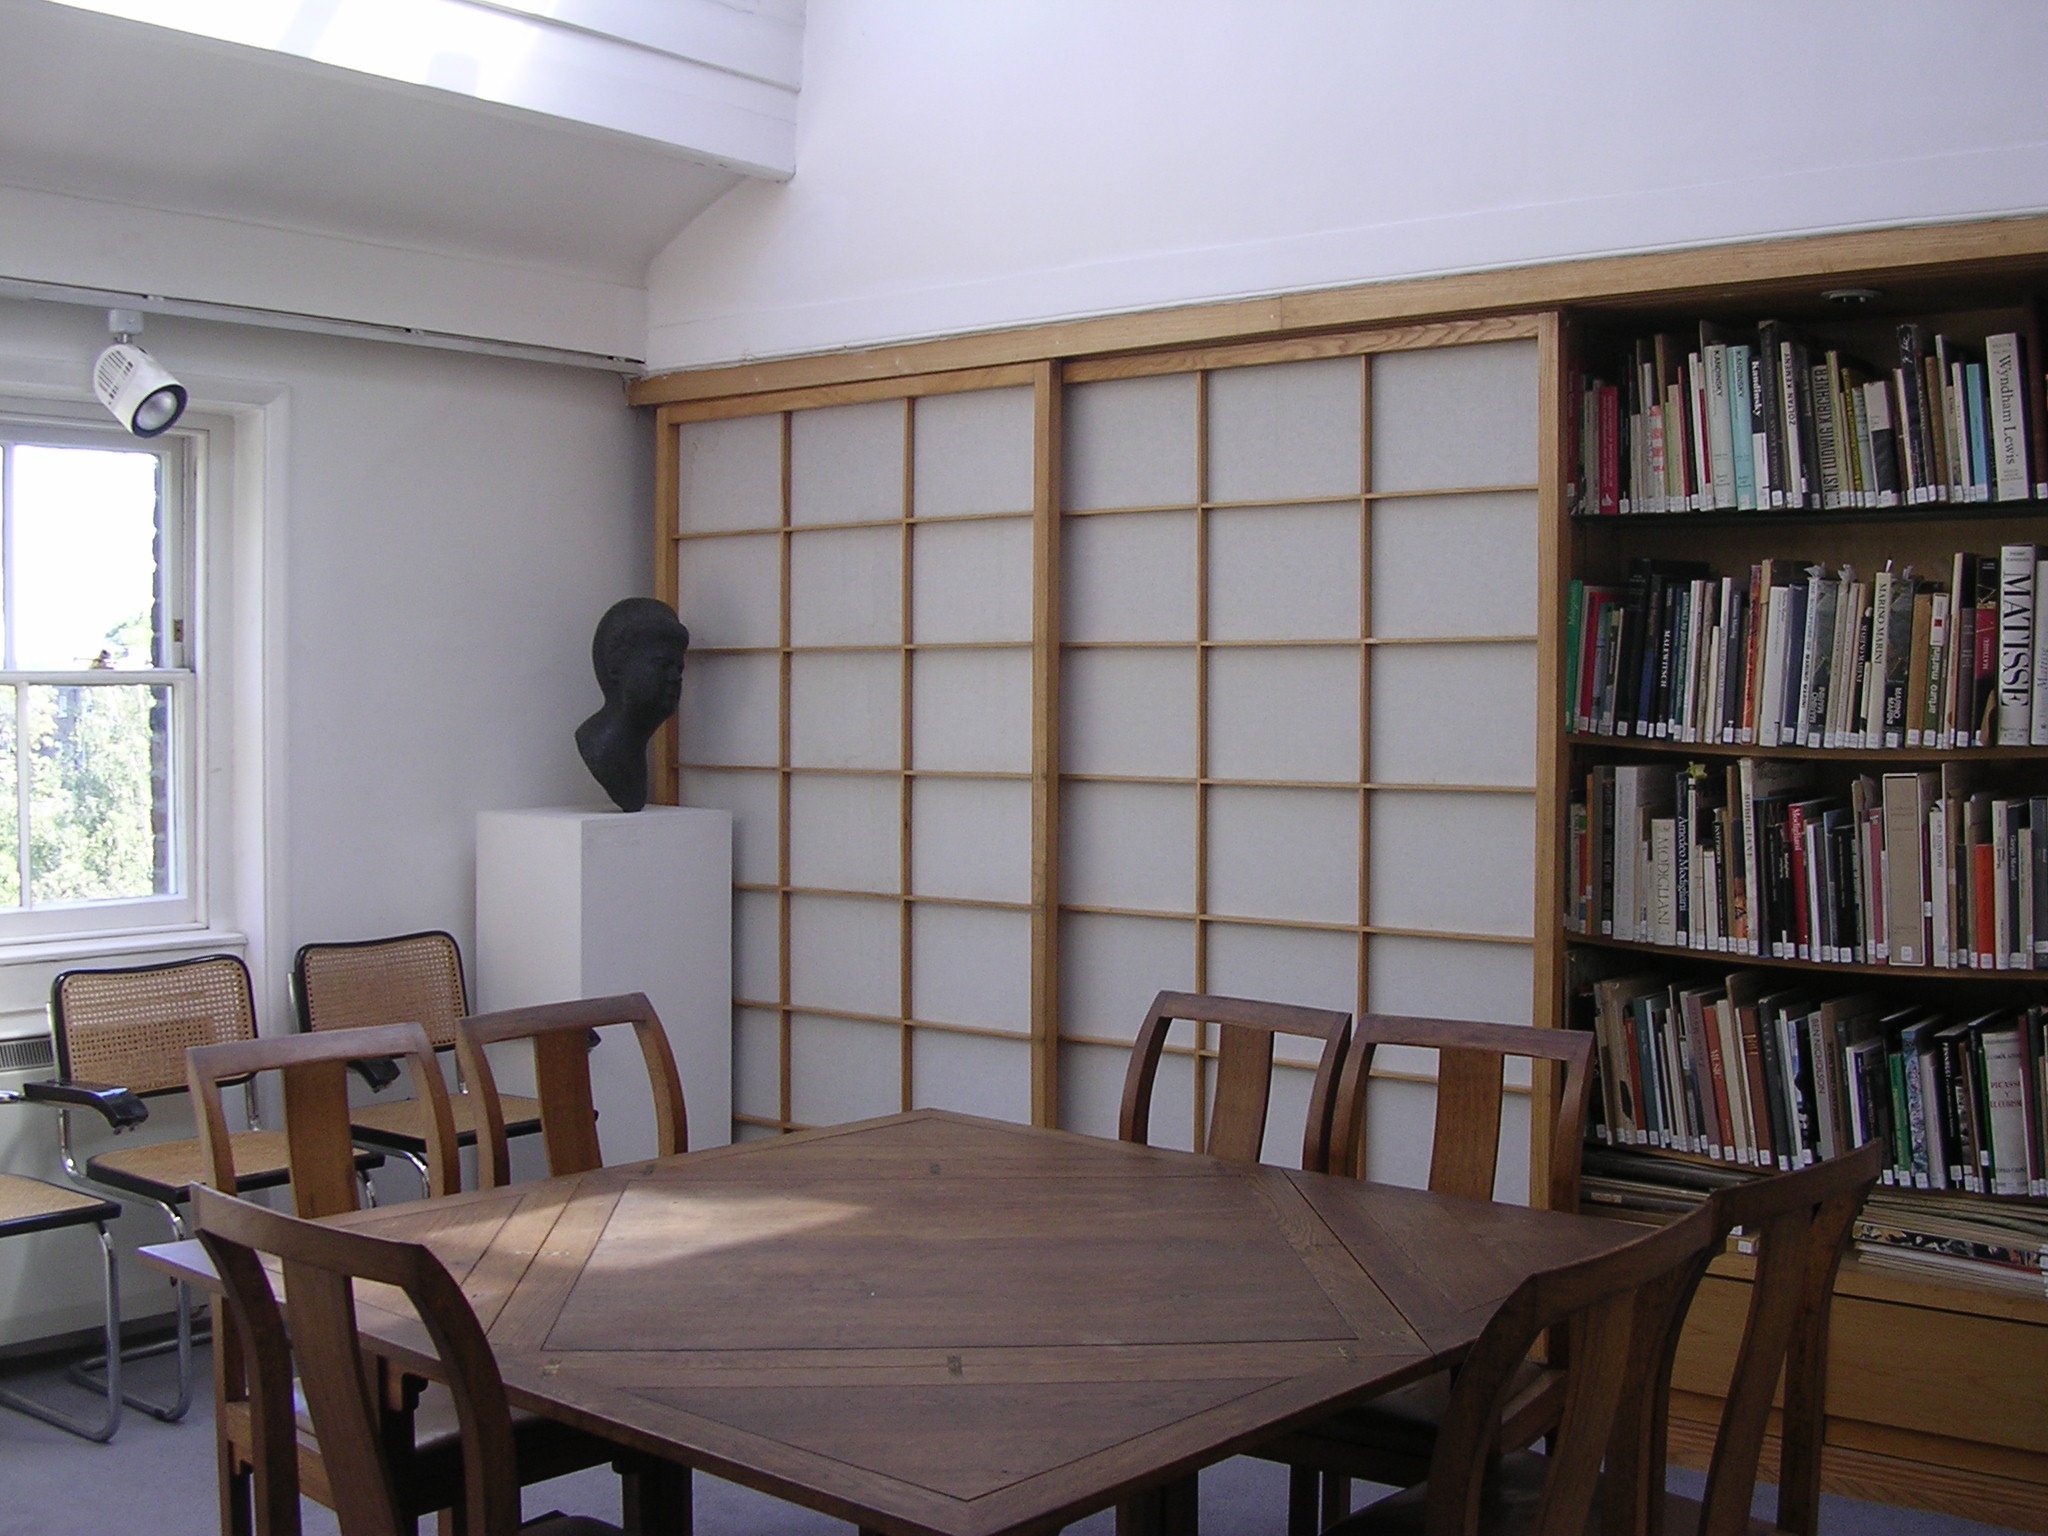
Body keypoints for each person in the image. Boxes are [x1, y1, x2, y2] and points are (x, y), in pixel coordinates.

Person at [575, 597, 690, 812]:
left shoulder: (631, 753)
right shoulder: (601, 749)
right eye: (661, 664)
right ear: (616, 666)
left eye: (679, 668)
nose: (675, 677)